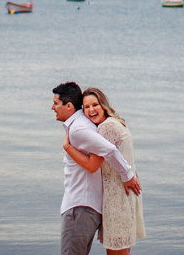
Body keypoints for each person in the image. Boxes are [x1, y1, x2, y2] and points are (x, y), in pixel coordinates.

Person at [53, 81, 141, 255]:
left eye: (56, 103)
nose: (52, 107)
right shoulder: (91, 125)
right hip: (92, 204)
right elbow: (99, 159)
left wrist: (128, 175)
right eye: (87, 106)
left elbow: (108, 152)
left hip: (80, 206)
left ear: (69, 105)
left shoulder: (79, 129)